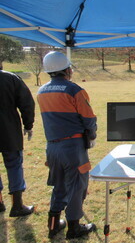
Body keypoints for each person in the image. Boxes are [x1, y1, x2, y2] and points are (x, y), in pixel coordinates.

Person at [37, 51, 97, 239]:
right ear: (67, 69)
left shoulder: (41, 91)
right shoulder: (74, 90)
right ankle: (74, 227)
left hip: (52, 147)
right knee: (76, 186)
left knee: (59, 185)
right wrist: (92, 135)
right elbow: (88, 118)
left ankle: (53, 225)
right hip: (72, 147)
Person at [0, 60, 35, 217]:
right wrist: (28, 125)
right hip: (9, 131)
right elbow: (27, 104)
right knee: (14, 165)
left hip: (9, 130)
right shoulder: (11, 78)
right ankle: (17, 205)